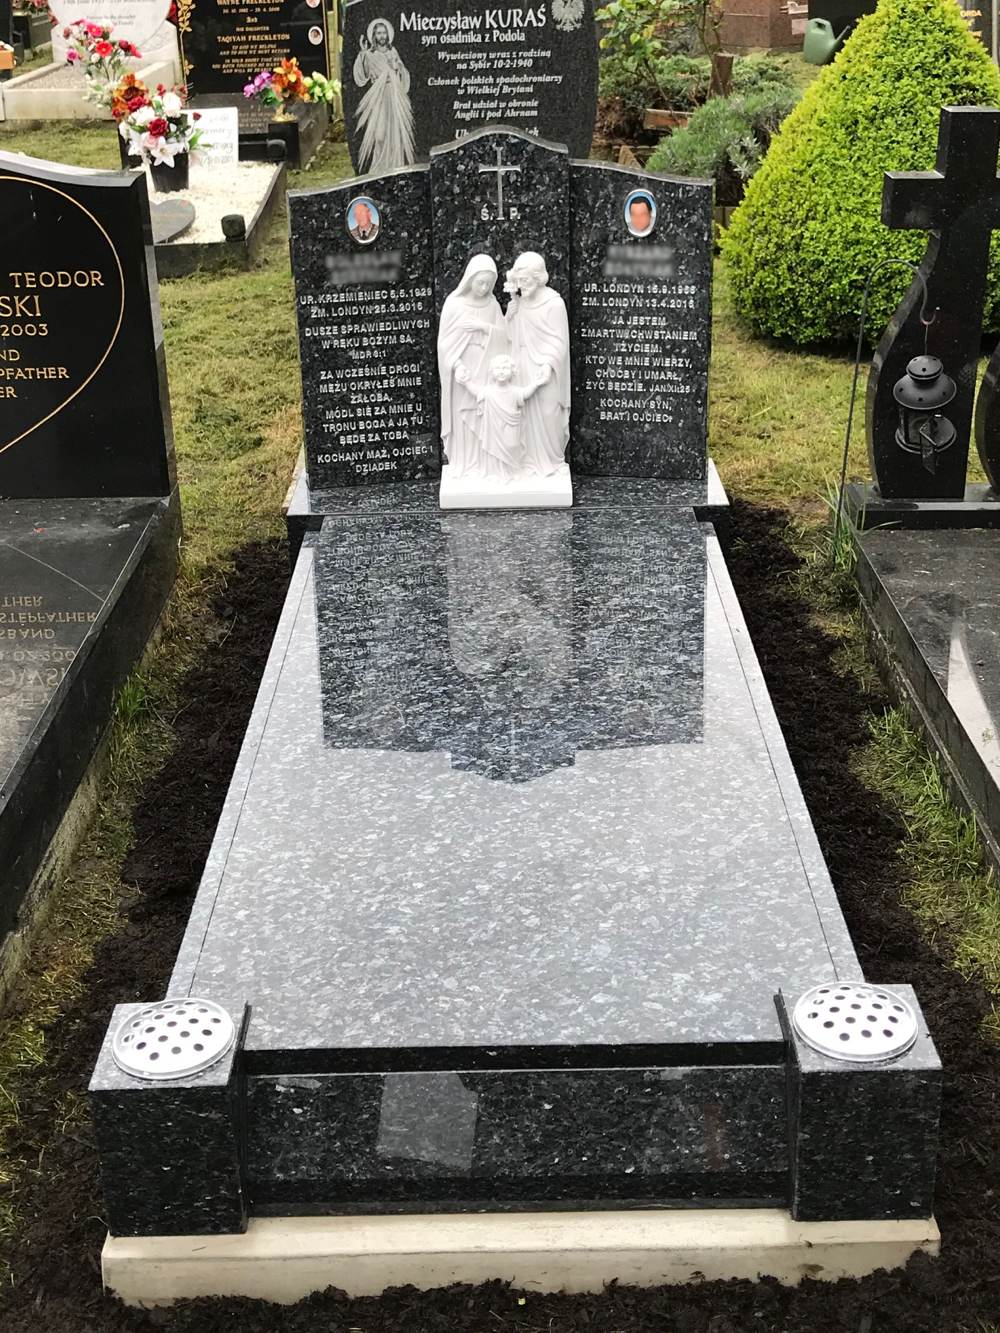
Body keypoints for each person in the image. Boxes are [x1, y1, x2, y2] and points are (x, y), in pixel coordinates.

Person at [438, 255, 507, 478]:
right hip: (463, 369)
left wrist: (483, 327)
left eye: (489, 283)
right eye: (480, 282)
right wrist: (456, 365)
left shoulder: (493, 304)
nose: (484, 287)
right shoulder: (454, 304)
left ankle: (485, 464)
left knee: (484, 415)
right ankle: (464, 463)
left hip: (487, 367)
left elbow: (505, 337)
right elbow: (445, 344)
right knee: (463, 416)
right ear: (469, 279)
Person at [505, 252, 570, 475]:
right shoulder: (519, 303)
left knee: (547, 415)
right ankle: (527, 462)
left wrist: (547, 364)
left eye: (526, 280)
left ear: (539, 277)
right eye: (519, 281)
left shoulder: (554, 303)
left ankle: (551, 462)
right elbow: (510, 338)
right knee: (524, 417)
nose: (522, 286)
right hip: (522, 367)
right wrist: (509, 317)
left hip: (545, 371)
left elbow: (559, 342)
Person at [353, 19, 415, 174]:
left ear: (388, 35)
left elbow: (402, 73)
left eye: (384, 32)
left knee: (394, 133)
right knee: (379, 135)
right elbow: (362, 75)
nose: (382, 36)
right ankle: (378, 170)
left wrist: (397, 68)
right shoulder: (370, 54)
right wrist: (362, 53)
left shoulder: (392, 52)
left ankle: (395, 167)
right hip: (379, 98)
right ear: (374, 35)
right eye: (378, 33)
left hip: (393, 96)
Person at [473, 354, 542, 481]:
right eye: (498, 368)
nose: (501, 372)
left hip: (511, 425)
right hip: (493, 428)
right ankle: (495, 473)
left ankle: (513, 471)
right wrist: (465, 382)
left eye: (505, 368)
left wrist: (536, 384)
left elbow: (525, 394)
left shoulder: (515, 391)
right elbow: (477, 392)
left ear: (512, 371)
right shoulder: (488, 391)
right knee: (493, 449)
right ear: (492, 372)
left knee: (512, 445)